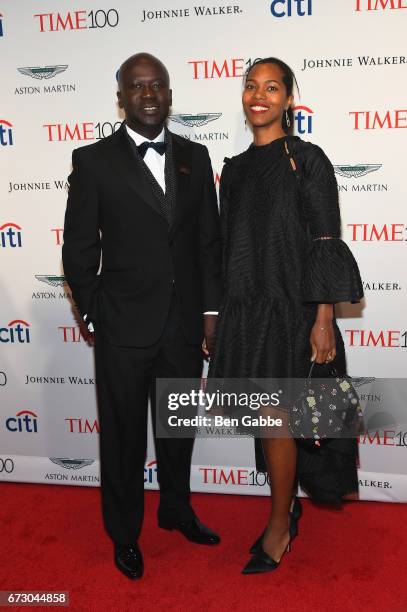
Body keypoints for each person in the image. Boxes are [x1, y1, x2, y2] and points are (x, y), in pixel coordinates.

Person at [62, 53, 222, 580]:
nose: (148, 94)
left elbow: (207, 244)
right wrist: (95, 314)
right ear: (122, 97)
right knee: (124, 437)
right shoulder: (93, 161)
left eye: (157, 85)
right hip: (123, 329)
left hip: (181, 327)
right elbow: (79, 250)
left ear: (170, 94)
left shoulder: (195, 158)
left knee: (177, 430)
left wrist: (209, 313)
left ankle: (176, 509)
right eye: (137, 86)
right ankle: (125, 534)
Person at [208, 57, 364, 575]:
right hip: (247, 310)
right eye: (251, 86)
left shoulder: (307, 160)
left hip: (295, 311)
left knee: (281, 419)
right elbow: (228, 246)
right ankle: (286, 506)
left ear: (289, 98)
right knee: (265, 418)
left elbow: (324, 241)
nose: (259, 95)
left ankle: (278, 526)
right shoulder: (232, 168)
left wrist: (323, 317)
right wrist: (219, 318)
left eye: (272, 87)